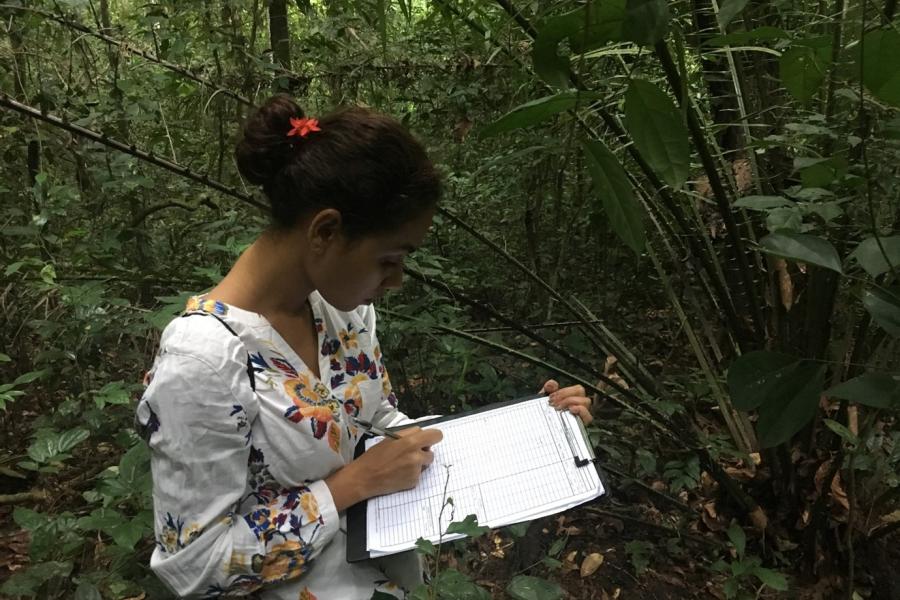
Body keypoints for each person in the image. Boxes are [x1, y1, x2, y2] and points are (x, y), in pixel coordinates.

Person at [135, 94, 593, 599]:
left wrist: (528, 428)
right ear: (326, 231)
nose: (396, 280)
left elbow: (379, 429)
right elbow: (195, 567)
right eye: (389, 259)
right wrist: (349, 487)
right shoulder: (203, 362)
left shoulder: (340, 310)